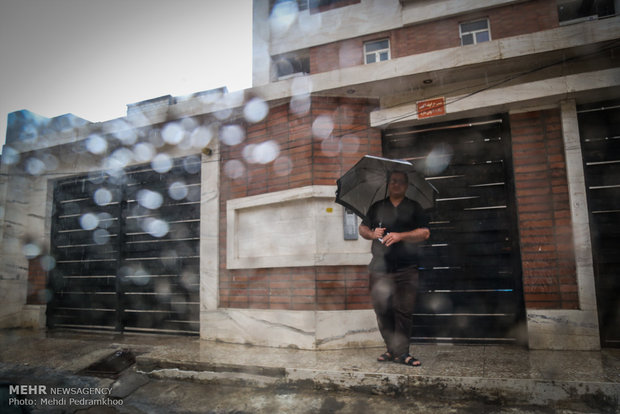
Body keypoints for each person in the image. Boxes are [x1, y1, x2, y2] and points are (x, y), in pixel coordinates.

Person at [358, 170, 430, 367]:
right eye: (393, 181)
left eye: (400, 182)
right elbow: (362, 229)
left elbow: (424, 233)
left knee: (403, 311)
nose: (396, 184)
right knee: (382, 310)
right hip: (379, 269)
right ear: (388, 184)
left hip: (406, 269)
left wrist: (400, 236)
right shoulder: (377, 207)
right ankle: (391, 349)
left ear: (406, 185)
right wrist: (372, 234)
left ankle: (403, 353)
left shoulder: (414, 207)